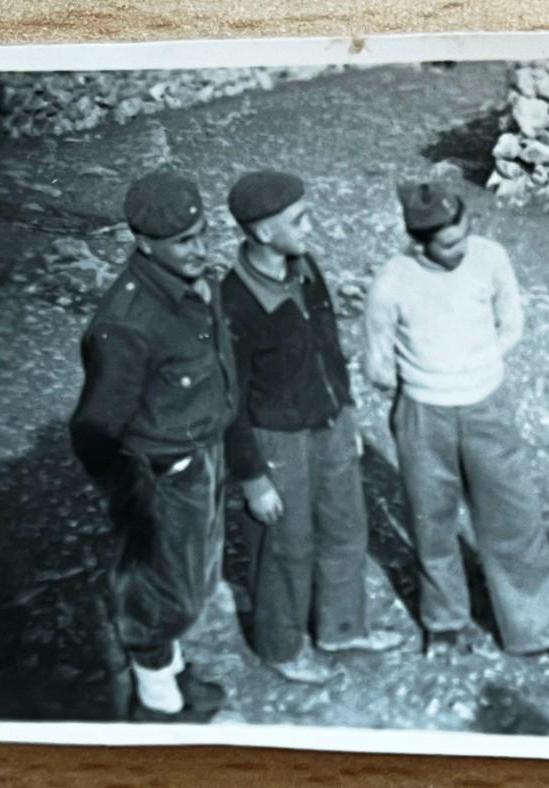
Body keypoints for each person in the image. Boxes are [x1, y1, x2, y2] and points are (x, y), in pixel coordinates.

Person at [363, 181, 549, 665]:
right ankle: (446, 623)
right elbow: (377, 366)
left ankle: (536, 631)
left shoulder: (490, 259)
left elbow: (511, 323)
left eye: (464, 234)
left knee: (514, 520)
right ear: (418, 241)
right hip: (423, 417)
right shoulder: (392, 281)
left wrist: (476, 367)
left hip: (487, 408)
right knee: (433, 524)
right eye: (447, 244)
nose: (460, 249)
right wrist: (431, 383)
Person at [221, 171, 403, 684]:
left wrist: (346, 412)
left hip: (330, 422)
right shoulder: (233, 302)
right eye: (298, 220)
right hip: (277, 439)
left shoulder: (305, 269)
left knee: (346, 528)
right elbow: (229, 400)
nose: (311, 227)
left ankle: (342, 627)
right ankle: (281, 647)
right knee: (284, 545)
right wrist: (253, 478)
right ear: (260, 233)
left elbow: (328, 349)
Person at [70, 171, 236, 721]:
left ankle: (172, 668)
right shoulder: (127, 324)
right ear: (144, 243)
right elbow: (94, 430)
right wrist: (136, 495)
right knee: (163, 589)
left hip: (204, 454)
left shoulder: (196, 284)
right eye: (183, 242)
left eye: (203, 234)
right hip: (163, 472)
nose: (199, 250)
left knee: (195, 580)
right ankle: (156, 703)